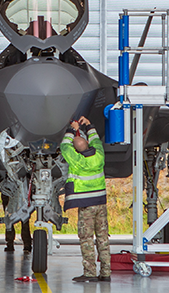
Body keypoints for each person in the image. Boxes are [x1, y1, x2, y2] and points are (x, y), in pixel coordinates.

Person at [60, 116, 111, 282]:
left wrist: (71, 129)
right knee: (103, 238)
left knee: (86, 238)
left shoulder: (77, 160)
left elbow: (64, 146)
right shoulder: (99, 155)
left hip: (86, 205)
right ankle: (106, 272)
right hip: (101, 203)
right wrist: (88, 125)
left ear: (77, 150)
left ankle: (90, 273)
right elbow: (96, 140)